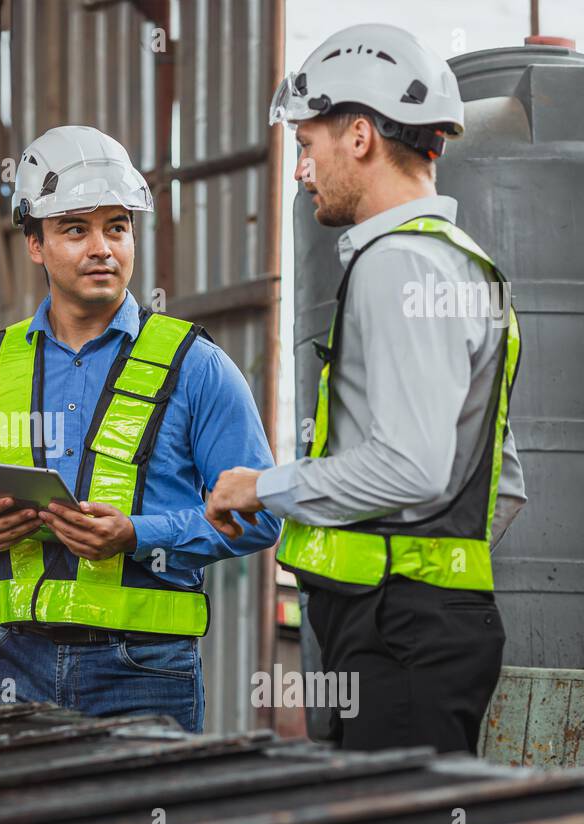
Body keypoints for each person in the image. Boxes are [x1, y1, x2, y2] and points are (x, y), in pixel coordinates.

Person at [208, 24, 525, 754]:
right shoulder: (471, 270)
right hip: (429, 630)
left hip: (399, 638)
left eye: (307, 144)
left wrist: (262, 486)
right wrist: (427, 568)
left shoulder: (396, 264)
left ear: (358, 136)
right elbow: (501, 486)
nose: (300, 170)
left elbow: (410, 466)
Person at [0, 125, 280, 734]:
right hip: (16, 662)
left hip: (145, 669)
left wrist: (138, 535)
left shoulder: (196, 366)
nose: (102, 248)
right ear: (35, 243)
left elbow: (260, 514)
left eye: (117, 227)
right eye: (75, 229)